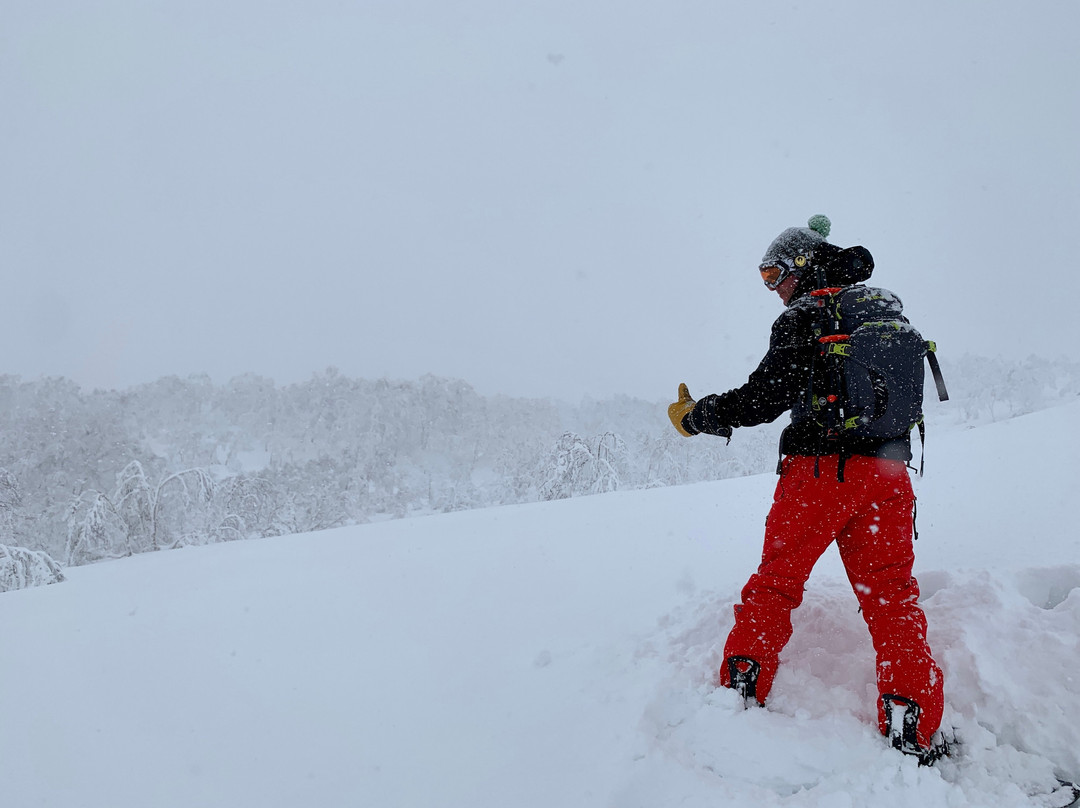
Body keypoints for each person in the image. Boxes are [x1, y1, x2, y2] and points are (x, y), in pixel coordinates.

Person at [667, 215, 946, 764]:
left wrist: (698, 416)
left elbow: (761, 398)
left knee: (776, 583)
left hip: (818, 476)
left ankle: (742, 684)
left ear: (800, 267)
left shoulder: (806, 315)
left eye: (775, 276)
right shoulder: (884, 308)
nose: (774, 289)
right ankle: (909, 718)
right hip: (889, 478)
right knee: (892, 598)